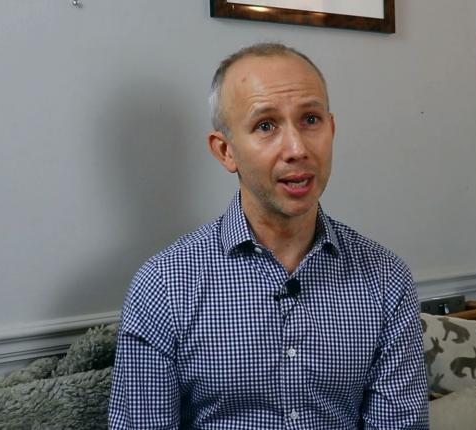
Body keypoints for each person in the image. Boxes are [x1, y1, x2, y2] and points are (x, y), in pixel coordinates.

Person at [108, 42, 428, 429]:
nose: (297, 148)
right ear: (226, 151)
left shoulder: (386, 279)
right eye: (266, 125)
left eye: (310, 120)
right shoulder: (164, 285)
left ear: (332, 129)